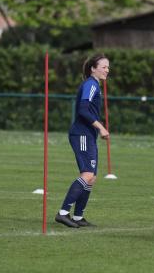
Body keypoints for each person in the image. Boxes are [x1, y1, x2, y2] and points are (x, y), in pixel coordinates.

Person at [55, 54, 110, 228]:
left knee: (91, 178)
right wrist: (100, 127)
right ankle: (63, 213)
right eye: (103, 67)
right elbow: (83, 110)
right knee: (87, 174)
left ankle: (78, 217)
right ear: (93, 68)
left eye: (108, 67)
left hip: (88, 134)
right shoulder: (91, 85)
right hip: (82, 134)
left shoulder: (95, 86)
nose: (107, 70)